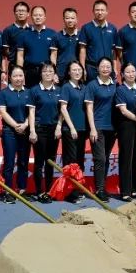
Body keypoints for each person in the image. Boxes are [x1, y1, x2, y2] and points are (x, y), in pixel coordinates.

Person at [85, 57, 119, 200]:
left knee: (106, 158)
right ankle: (99, 189)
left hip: (112, 127)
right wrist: (92, 128)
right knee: (100, 158)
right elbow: (89, 108)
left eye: (108, 66)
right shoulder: (92, 85)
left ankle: (102, 187)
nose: (105, 69)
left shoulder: (115, 85)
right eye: (103, 66)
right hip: (98, 126)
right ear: (97, 69)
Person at [28, 62, 62, 203]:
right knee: (39, 161)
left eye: (50, 71)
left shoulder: (59, 90)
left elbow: (62, 111)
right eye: (45, 71)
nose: (48, 74)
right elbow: (31, 112)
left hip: (54, 130)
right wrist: (32, 130)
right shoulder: (34, 91)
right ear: (40, 74)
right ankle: (39, 191)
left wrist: (59, 126)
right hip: (40, 129)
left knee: (50, 161)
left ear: (54, 74)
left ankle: (49, 190)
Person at [0, 65, 32, 199]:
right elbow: (3, 112)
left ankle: (22, 189)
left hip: (25, 131)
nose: (18, 78)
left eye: (20, 75)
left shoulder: (29, 92)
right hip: (9, 132)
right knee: (9, 162)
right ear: (9, 77)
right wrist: (16, 125)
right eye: (15, 76)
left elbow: (31, 112)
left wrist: (25, 125)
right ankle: (8, 191)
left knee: (23, 161)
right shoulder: (3, 93)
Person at [114, 63, 136, 200]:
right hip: (126, 126)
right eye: (127, 72)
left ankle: (134, 189)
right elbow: (123, 111)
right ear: (122, 74)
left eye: (133, 71)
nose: (131, 74)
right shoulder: (120, 90)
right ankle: (125, 191)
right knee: (126, 157)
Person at [58, 62, 88, 202]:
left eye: (79, 70)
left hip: (82, 129)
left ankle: (77, 189)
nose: (77, 72)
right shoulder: (66, 87)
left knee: (79, 161)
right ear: (69, 72)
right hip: (70, 130)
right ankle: (69, 193)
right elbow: (63, 109)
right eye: (74, 70)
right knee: (71, 162)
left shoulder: (84, 87)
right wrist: (71, 127)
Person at [79, 0, 119, 82]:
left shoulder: (112, 28)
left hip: (108, 69)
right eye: (97, 10)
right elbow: (82, 50)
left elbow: (113, 51)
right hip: (91, 68)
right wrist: (82, 68)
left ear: (107, 12)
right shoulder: (86, 28)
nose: (100, 12)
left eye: (102, 10)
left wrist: (115, 68)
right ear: (93, 11)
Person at [18, 5, 58, 89]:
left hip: (46, 71)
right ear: (31, 17)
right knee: (29, 94)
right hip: (29, 72)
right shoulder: (23, 34)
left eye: (40, 15)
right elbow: (20, 56)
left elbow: (53, 55)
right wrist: (20, 73)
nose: (38, 17)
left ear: (45, 17)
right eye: (35, 15)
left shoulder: (52, 34)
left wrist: (53, 72)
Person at [1, 1, 32, 69]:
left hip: (30, 66)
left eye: (23, 11)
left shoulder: (32, 29)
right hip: (14, 66)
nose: (20, 13)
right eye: (18, 11)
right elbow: (5, 51)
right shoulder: (8, 30)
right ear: (14, 13)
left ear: (28, 14)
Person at [55, 7, 80, 85]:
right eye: (67, 18)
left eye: (72, 18)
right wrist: (54, 72)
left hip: (77, 73)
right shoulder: (57, 36)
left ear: (76, 19)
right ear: (63, 19)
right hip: (61, 73)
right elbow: (53, 55)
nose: (70, 20)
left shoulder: (82, 35)